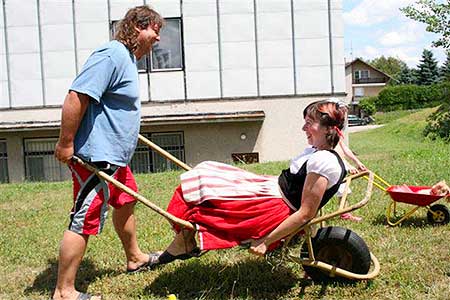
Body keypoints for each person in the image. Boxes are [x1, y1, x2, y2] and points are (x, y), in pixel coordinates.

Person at [143, 99, 348, 266]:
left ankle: (177, 248)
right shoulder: (317, 152)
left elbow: (305, 213)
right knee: (206, 173)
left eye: (309, 122)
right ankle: (183, 243)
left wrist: (266, 241)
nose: (304, 127)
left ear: (328, 128)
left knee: (208, 201)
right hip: (272, 190)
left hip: (274, 208)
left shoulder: (324, 161)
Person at [52, 6, 164, 300]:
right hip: (96, 158)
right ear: (138, 28)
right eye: (156, 30)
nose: (158, 39)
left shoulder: (126, 59)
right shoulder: (112, 54)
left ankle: (135, 257)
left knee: (125, 201)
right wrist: (66, 143)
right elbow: (77, 95)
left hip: (117, 158)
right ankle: (64, 291)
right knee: (84, 218)